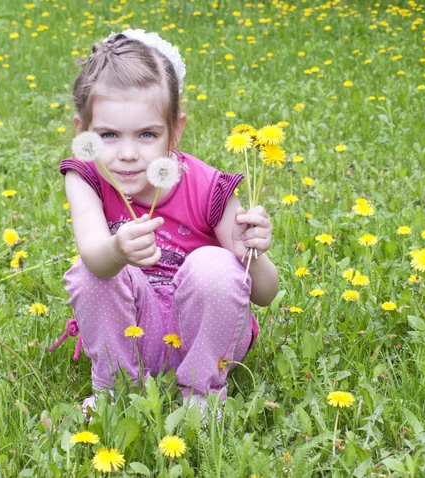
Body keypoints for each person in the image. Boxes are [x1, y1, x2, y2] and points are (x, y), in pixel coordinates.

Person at [51, 29, 279, 417]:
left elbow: (264, 294)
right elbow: (93, 256)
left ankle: (201, 397)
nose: (126, 154)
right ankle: (117, 391)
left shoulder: (208, 187)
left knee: (215, 264)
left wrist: (253, 253)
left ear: (175, 131)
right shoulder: (85, 178)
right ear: (82, 133)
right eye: (107, 135)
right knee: (89, 273)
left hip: (207, 335)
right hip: (135, 333)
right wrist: (117, 249)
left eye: (146, 134)